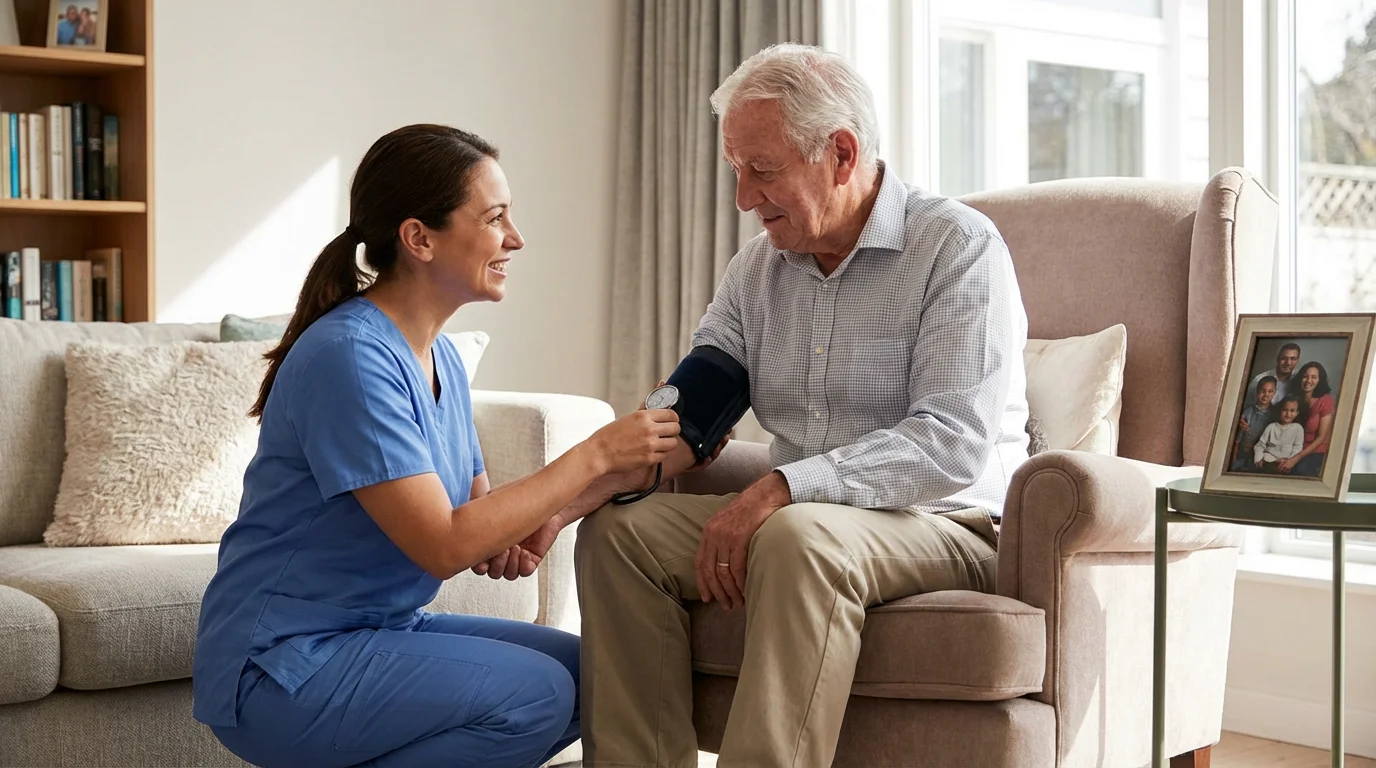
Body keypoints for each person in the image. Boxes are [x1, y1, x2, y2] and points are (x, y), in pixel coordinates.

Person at [191, 124, 708, 768]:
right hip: (282, 663)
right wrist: (594, 452)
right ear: (419, 238)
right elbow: (443, 544)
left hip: (379, 632)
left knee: (595, 676)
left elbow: (483, 533)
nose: (515, 238)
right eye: (495, 219)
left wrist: (621, 466)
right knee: (538, 693)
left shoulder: (442, 363)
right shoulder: (350, 356)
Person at [572, 43, 1030, 768]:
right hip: (804, 524)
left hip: (948, 523)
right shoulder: (758, 268)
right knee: (620, 534)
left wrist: (782, 488)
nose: (743, 199)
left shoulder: (956, 247)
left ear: (841, 154)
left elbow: (952, 442)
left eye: (762, 170)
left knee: (795, 535)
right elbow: (690, 412)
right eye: (735, 171)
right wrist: (560, 505)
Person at [1278, 361, 1336, 477]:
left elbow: (1321, 438)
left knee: (1299, 470)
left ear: (1320, 380)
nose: (1308, 381)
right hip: (1294, 448)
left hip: (1316, 451)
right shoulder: (1295, 399)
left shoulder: (1326, 400)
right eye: (1305, 376)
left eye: (1314, 377)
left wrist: (1295, 459)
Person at [1231, 375, 1277, 472]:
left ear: (1274, 393)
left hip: (1262, 455)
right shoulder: (1247, 412)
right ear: (1257, 392)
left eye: (1270, 391)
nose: (1266, 395)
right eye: (1263, 391)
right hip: (1243, 451)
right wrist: (1233, 460)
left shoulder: (1274, 415)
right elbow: (1237, 440)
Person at [1253, 395, 1304, 472]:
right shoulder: (1271, 426)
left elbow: (1297, 448)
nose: (1288, 414)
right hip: (1268, 460)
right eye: (1285, 410)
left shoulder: (1298, 428)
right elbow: (1260, 445)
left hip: (1286, 462)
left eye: (1292, 411)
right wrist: (1258, 459)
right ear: (1280, 410)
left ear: (1297, 413)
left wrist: (1288, 460)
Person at [1247, 342, 1301, 407]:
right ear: (1277, 359)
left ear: (1297, 360)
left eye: (1293, 359)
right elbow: (1246, 406)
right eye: (1283, 358)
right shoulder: (1258, 380)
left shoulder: (1300, 380)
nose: (1288, 363)